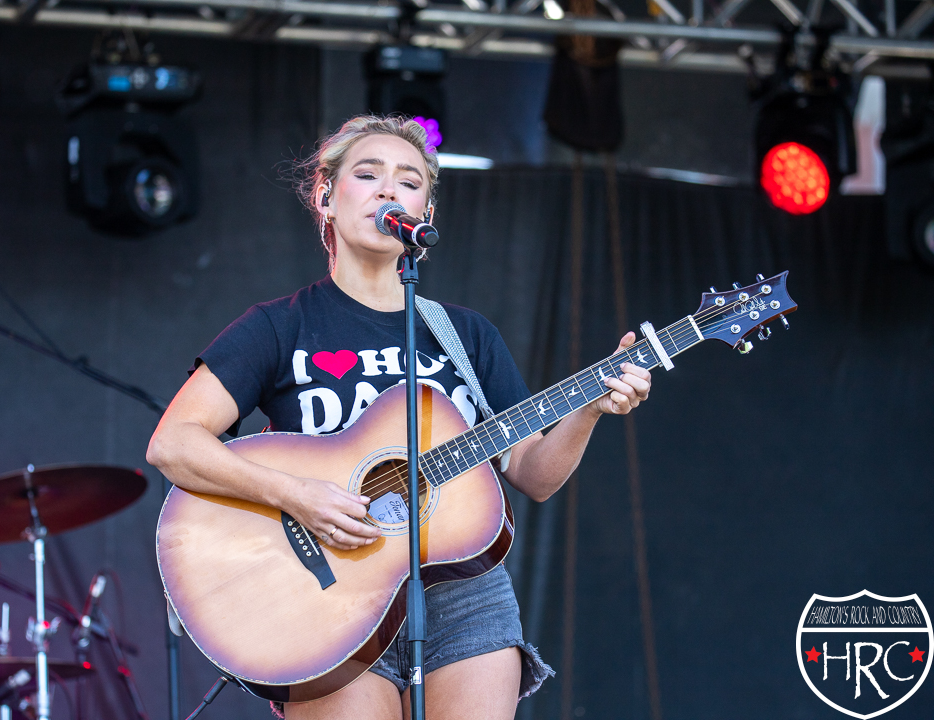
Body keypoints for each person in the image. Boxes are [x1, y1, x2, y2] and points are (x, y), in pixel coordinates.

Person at [146, 115, 651, 720]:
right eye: (368, 174)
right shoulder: (280, 325)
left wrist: (590, 407)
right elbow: (173, 444)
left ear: (424, 214)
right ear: (325, 197)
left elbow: (532, 473)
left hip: (465, 591)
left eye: (410, 182)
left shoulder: (464, 334)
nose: (390, 189)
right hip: (327, 596)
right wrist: (297, 494)